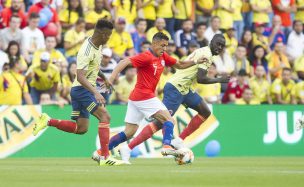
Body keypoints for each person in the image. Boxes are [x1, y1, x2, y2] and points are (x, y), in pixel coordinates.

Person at [92, 32, 211, 163]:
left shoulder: (163, 56)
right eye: (162, 45)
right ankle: (166, 146)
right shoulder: (146, 57)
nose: (165, 49)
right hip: (144, 96)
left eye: (166, 46)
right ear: (154, 43)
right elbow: (124, 61)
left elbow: (180, 65)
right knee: (169, 120)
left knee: (129, 132)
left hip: (136, 98)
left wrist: (195, 61)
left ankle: (100, 152)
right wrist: (112, 78)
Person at [113, 34, 229, 162]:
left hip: (185, 88)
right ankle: (129, 148)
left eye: (222, 46)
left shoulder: (204, 52)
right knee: (160, 123)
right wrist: (219, 79)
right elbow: (201, 78)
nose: (219, 48)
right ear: (211, 42)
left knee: (205, 112)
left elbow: (180, 64)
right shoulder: (206, 54)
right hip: (175, 88)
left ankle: (178, 141)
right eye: (218, 44)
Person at [32, 19, 125, 166]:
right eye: (108, 35)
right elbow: (80, 76)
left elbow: (93, 66)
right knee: (105, 115)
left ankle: (48, 121)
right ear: (101, 34)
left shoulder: (97, 45)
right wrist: (96, 92)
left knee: (81, 128)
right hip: (82, 90)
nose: (109, 38)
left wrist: (104, 77)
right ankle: (105, 157)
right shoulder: (86, 50)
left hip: (82, 90)